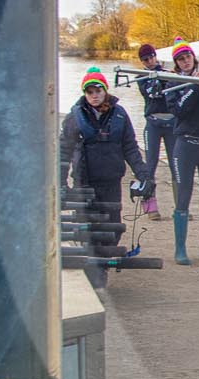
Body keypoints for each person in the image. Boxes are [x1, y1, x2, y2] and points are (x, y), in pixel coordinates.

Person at [58, 66, 149, 291]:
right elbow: (63, 151)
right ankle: (93, 270)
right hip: (84, 181)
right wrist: (60, 182)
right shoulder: (74, 117)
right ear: (84, 94)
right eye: (89, 91)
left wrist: (144, 174)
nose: (94, 95)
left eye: (98, 90)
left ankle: (103, 266)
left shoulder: (120, 115)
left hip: (111, 181)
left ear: (105, 90)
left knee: (113, 227)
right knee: (87, 227)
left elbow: (130, 147)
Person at [163, 40, 199, 266]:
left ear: (193, 57)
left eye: (187, 57)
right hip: (185, 145)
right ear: (176, 64)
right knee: (183, 195)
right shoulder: (173, 83)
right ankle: (180, 249)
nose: (185, 61)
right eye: (180, 59)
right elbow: (180, 110)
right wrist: (194, 87)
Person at [135, 43, 174, 220]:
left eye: (151, 57)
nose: (149, 61)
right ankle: (150, 205)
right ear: (141, 62)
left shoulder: (168, 72)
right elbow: (151, 92)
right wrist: (159, 80)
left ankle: (180, 206)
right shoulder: (142, 77)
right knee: (150, 165)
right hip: (153, 124)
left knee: (176, 165)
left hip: (171, 123)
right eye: (145, 59)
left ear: (155, 56)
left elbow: (172, 91)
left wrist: (168, 77)